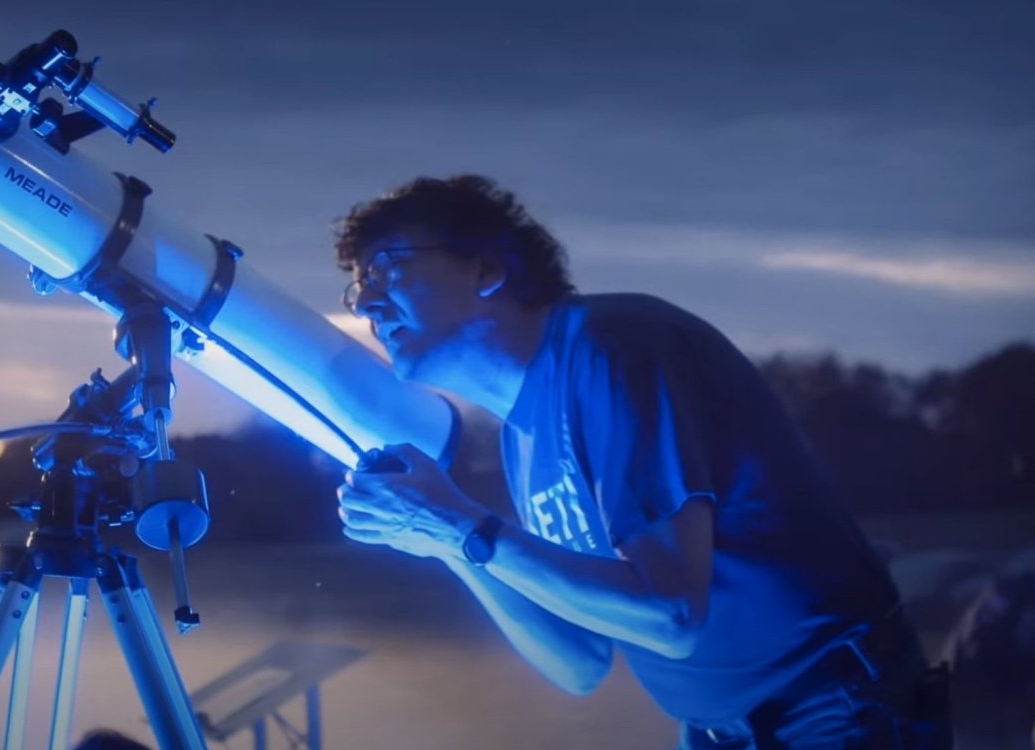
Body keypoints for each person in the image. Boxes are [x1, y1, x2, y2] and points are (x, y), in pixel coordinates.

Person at [332, 174, 952, 749]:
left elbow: (670, 614)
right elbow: (577, 660)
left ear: (487, 268)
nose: (366, 304)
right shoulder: (522, 435)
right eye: (358, 287)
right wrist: (444, 544)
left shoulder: (612, 348)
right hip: (722, 730)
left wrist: (461, 527)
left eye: (388, 269)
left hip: (829, 713)